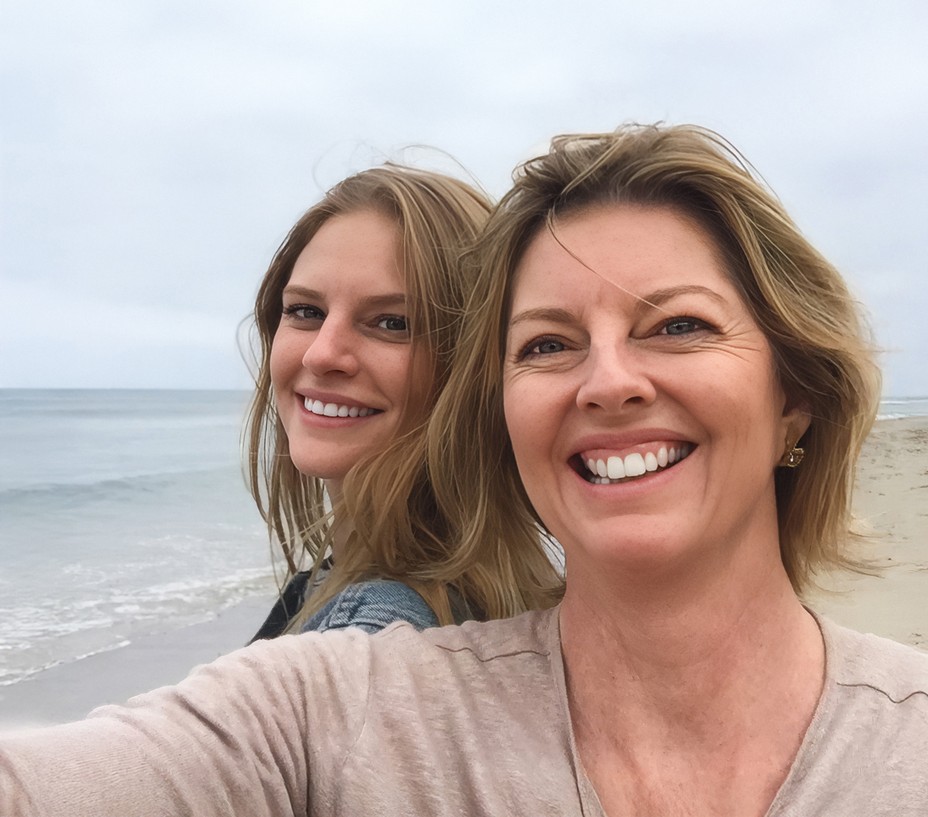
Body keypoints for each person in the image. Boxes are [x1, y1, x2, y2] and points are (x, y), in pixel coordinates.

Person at [2, 125, 926, 816]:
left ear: (797, 396)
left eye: (678, 325)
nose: (322, 354)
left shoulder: (377, 625)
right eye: (549, 343)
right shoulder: (335, 703)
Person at [242, 164, 561, 638]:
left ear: (471, 362)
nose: (321, 354)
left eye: (393, 323)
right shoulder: (507, 594)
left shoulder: (378, 631)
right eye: (306, 311)